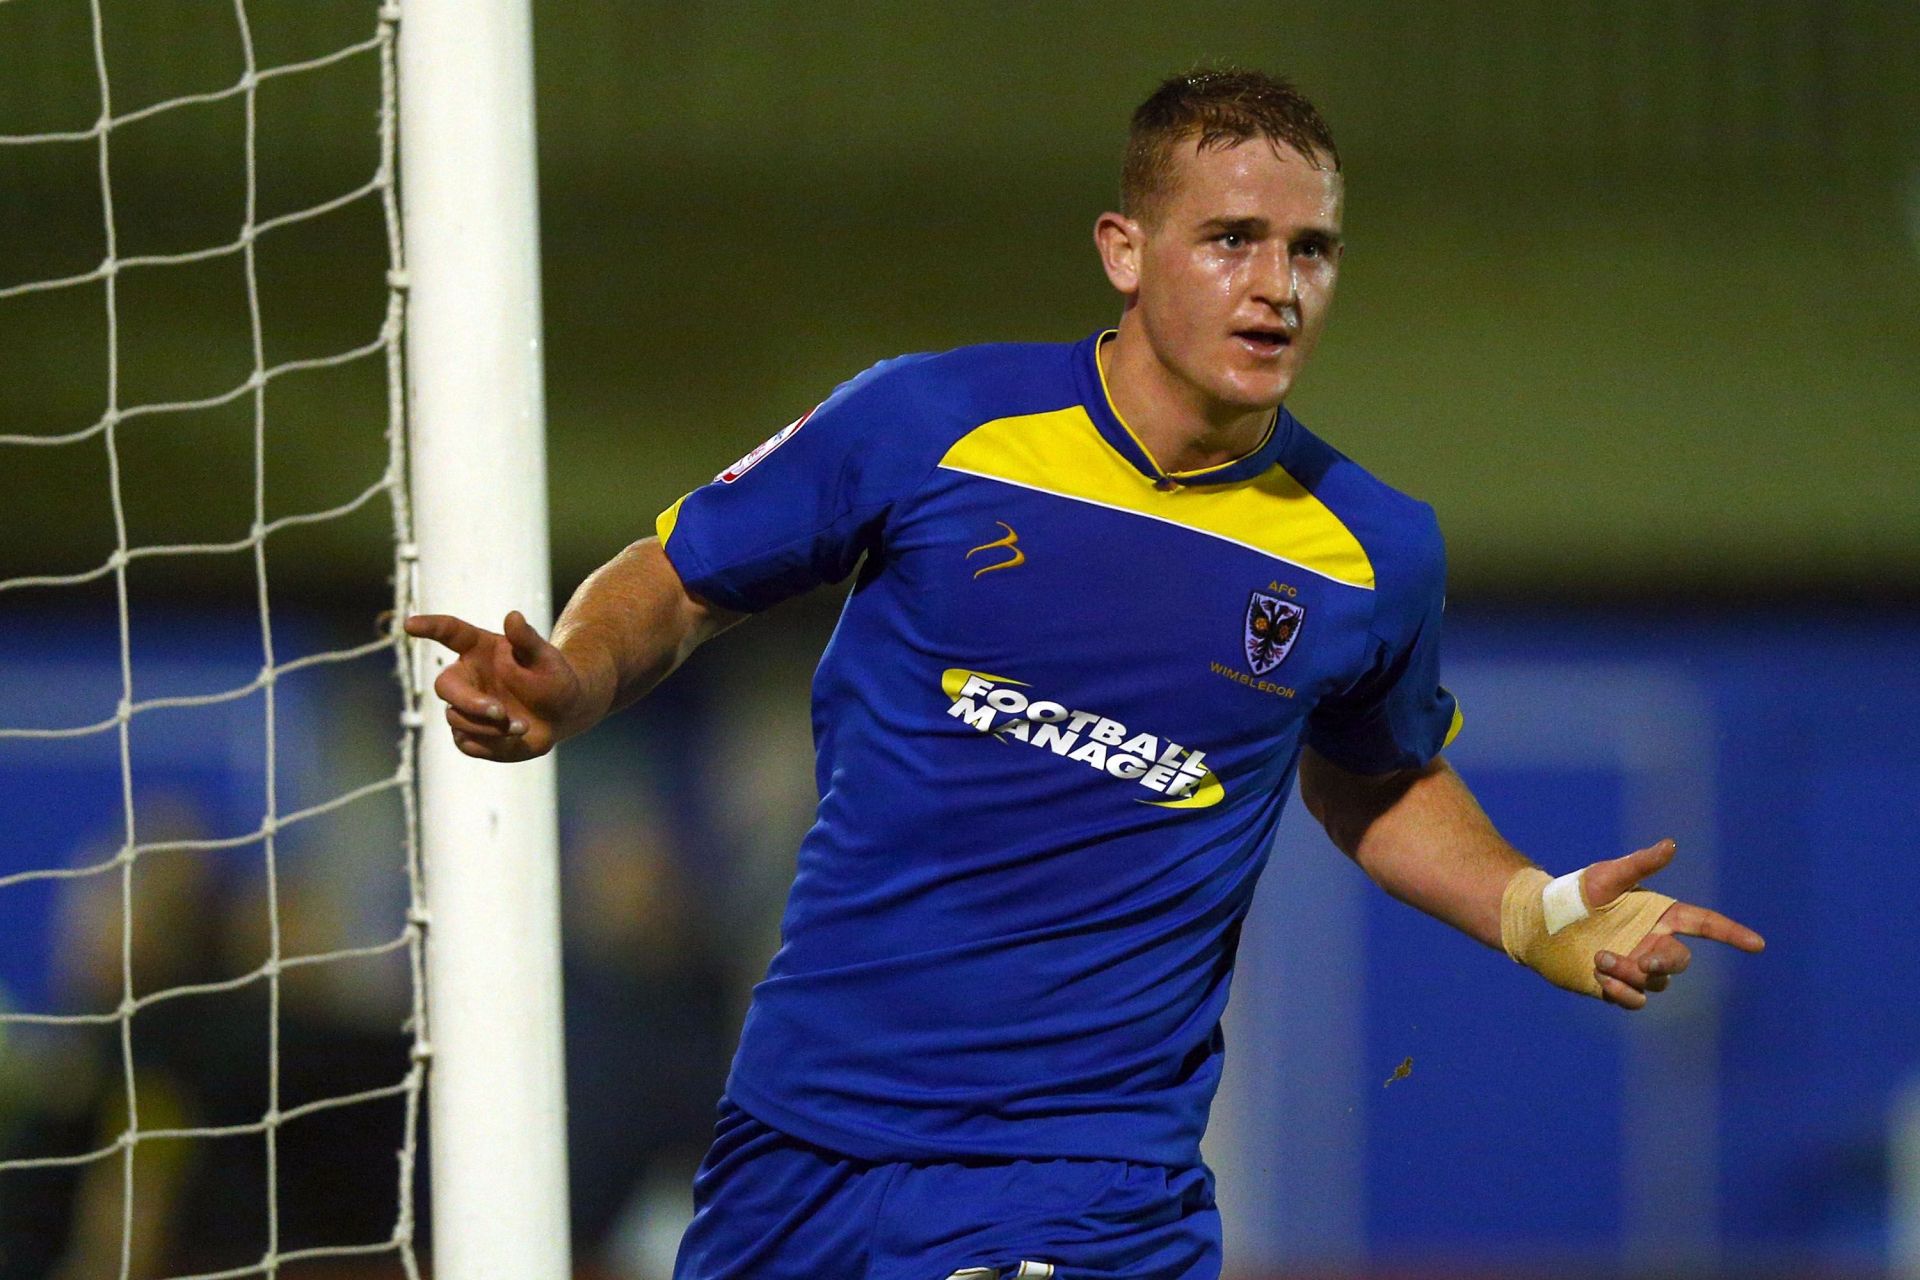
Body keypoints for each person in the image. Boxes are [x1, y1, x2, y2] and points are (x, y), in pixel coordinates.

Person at [406, 68, 1765, 1280]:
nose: (1276, 286)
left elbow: (1381, 776)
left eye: (1311, 250)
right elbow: (685, 572)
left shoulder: (1372, 552)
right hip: (804, 1133)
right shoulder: (930, 423)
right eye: (1232, 240)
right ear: (1125, 249)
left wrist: (1531, 909)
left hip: (1083, 1174)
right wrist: (575, 679)